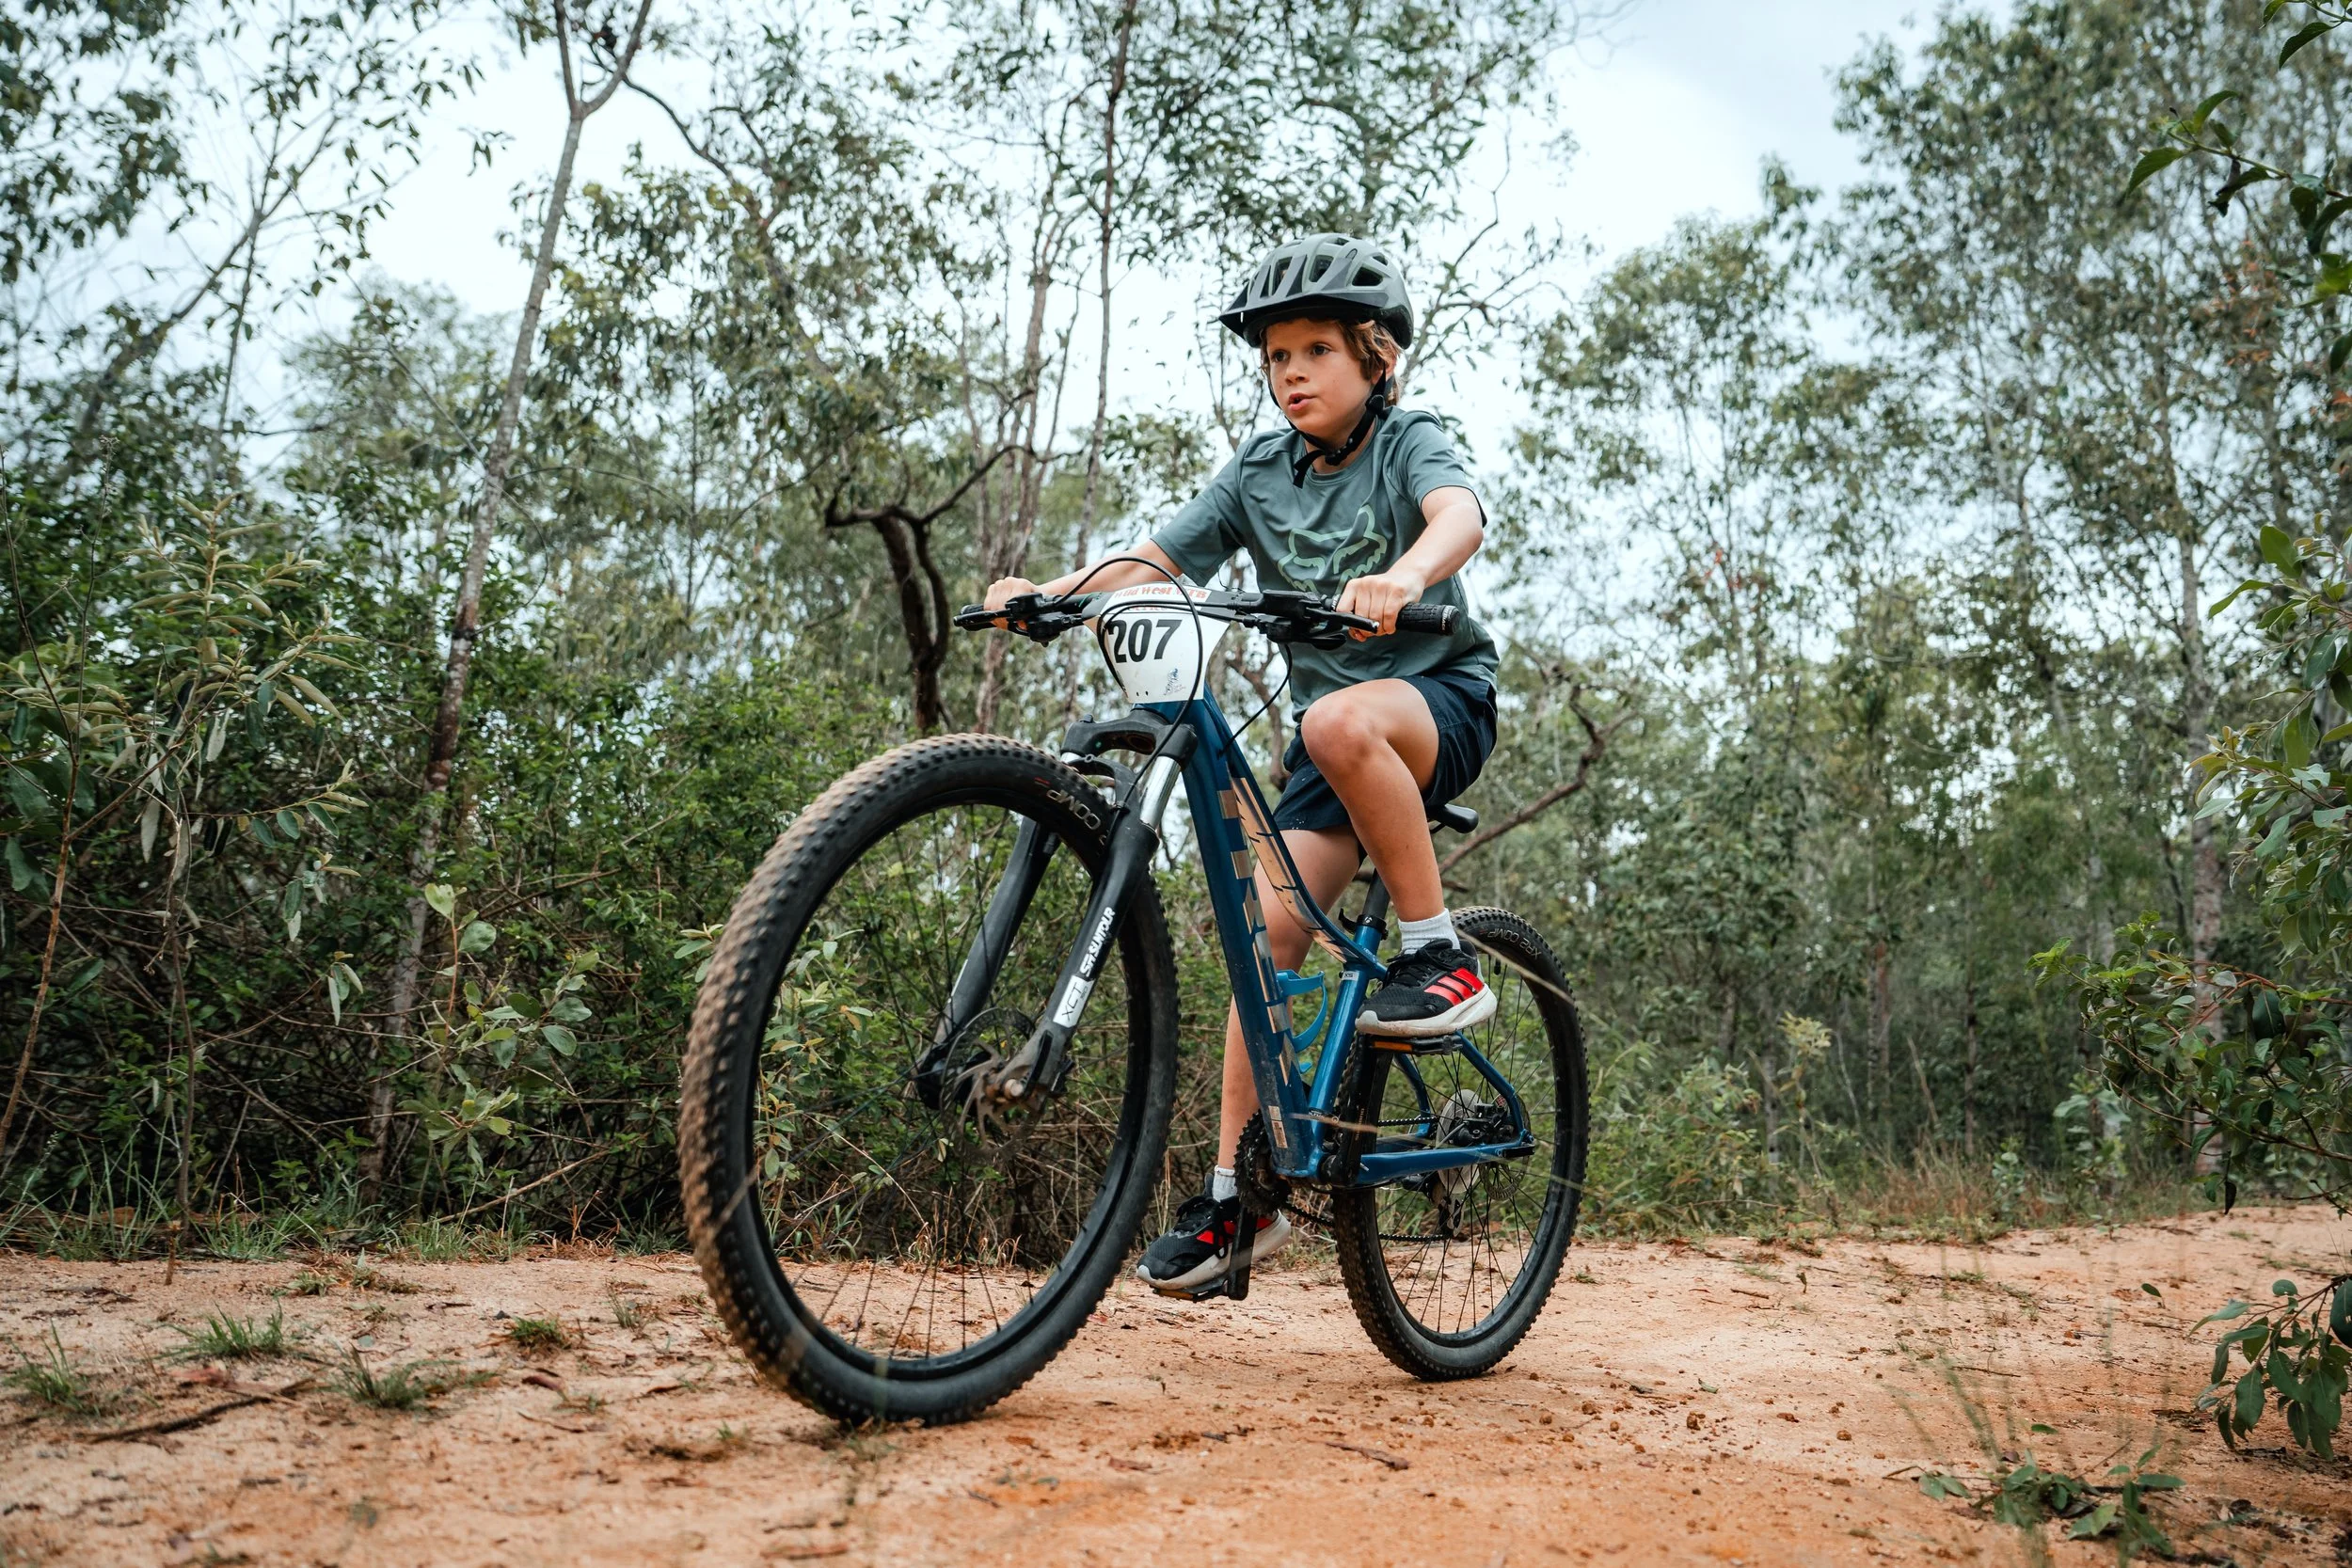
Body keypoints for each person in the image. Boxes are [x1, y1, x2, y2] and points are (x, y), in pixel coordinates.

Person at [982, 233, 1502, 1299]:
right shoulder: (1258, 472)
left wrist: (1402, 574)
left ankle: (1440, 953)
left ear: (1376, 360)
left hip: (1432, 705)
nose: (1292, 372)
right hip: (1334, 740)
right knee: (1264, 943)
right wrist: (1058, 591)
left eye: (1316, 350)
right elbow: (1159, 559)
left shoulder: (1409, 444)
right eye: (1275, 357)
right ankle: (1235, 1199)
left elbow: (1462, 514)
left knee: (1337, 723)